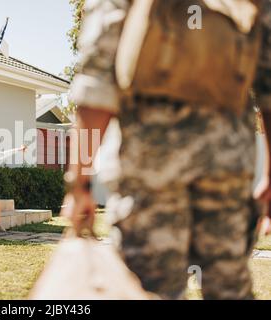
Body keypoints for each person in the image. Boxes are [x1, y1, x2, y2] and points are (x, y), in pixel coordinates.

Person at [63, 0, 271, 299]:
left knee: (149, 289)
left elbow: (96, 82)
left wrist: (79, 183)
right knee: (229, 288)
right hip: (226, 166)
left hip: (148, 170)